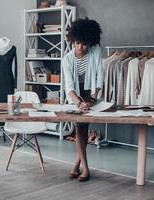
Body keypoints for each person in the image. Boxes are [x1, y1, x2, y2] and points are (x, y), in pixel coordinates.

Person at [62, 17, 103, 182]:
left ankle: (77, 166)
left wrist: (92, 99)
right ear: (73, 41)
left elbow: (100, 76)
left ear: (90, 42)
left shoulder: (96, 52)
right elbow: (69, 87)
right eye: (78, 43)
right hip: (76, 96)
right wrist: (79, 102)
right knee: (80, 128)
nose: (81, 47)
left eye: (85, 44)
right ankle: (85, 169)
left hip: (91, 94)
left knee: (83, 129)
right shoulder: (67, 59)